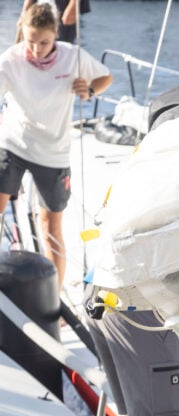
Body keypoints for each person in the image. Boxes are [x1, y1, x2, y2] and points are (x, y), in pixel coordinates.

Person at [0, 2, 111, 290]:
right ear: (22, 33)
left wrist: (89, 89)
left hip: (53, 152)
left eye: (44, 42)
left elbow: (105, 77)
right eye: (30, 41)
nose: (36, 49)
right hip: (13, 144)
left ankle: (53, 299)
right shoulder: (10, 59)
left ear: (55, 35)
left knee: (51, 228)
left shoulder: (72, 57)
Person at [20, 0, 91, 45]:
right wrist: (26, 7)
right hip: (37, 8)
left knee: (62, 51)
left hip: (63, 9)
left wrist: (74, 3)